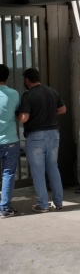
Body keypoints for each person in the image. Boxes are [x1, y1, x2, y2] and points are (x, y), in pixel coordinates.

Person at [18, 68, 67, 213]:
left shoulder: (28, 95)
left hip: (36, 137)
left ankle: (43, 204)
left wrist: (18, 115)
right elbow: (63, 109)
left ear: (27, 80)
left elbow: (24, 118)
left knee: (38, 171)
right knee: (53, 168)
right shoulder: (52, 91)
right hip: (53, 134)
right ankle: (58, 202)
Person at [0, 65, 21, 218]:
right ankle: (5, 208)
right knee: (8, 174)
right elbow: (19, 113)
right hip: (10, 141)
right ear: (7, 77)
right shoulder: (14, 94)